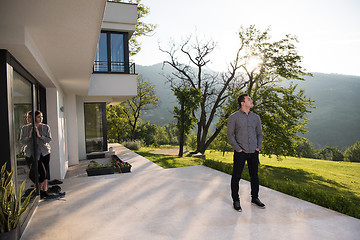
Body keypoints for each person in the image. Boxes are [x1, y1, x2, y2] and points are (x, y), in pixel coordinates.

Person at [227, 93, 265, 212]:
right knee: (236, 176)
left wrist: (258, 147)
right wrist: (238, 148)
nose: (251, 100)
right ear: (242, 103)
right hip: (240, 152)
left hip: (254, 151)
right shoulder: (234, 117)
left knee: (254, 176)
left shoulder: (256, 118)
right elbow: (229, 135)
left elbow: (259, 133)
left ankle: (255, 198)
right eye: (249, 99)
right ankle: (236, 200)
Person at [20, 110, 52, 199]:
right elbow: (22, 141)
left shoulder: (45, 127)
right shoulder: (25, 128)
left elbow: (48, 140)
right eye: (39, 117)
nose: (41, 118)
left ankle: (43, 190)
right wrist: (29, 136)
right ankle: (37, 190)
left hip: (44, 152)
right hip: (31, 153)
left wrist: (40, 136)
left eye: (41, 116)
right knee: (33, 173)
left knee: (44, 172)